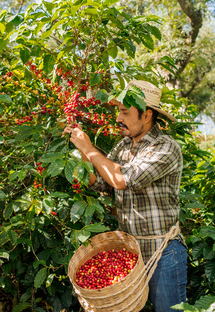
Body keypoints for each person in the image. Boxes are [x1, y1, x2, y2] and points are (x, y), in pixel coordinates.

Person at [62, 80, 187, 311]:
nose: (118, 118)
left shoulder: (166, 147)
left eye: (124, 112)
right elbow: (99, 182)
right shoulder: (122, 147)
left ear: (147, 115)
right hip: (129, 253)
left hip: (163, 252)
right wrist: (81, 150)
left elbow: (122, 179)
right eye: (118, 111)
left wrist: (90, 148)